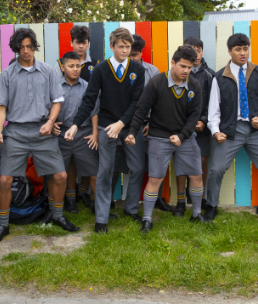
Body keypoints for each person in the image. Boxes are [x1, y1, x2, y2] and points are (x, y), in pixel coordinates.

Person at [0, 28, 78, 245]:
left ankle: (57, 215)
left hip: (42, 130)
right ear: (16, 49)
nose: (25, 51)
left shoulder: (47, 71)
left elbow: (57, 101)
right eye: (21, 47)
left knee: (61, 176)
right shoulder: (7, 74)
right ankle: (3, 224)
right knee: (5, 179)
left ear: (34, 47)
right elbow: (0, 107)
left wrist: (49, 122)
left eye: (29, 46)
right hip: (16, 132)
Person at [64, 27, 145, 234]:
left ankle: (131, 209)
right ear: (112, 47)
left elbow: (137, 102)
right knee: (105, 171)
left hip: (129, 127)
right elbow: (89, 99)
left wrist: (122, 124)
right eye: (121, 47)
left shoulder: (138, 69)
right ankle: (101, 219)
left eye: (128, 47)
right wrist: (75, 123)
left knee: (136, 168)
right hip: (105, 126)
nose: (125, 51)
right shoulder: (100, 70)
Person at [125, 46, 206, 233]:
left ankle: (196, 213)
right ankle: (147, 219)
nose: (186, 71)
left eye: (190, 67)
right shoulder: (156, 83)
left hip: (185, 137)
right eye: (183, 66)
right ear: (173, 63)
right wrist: (131, 132)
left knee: (196, 175)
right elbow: (141, 110)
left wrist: (182, 136)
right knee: (155, 178)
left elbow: (195, 116)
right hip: (159, 137)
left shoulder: (194, 85)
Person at [205, 33, 258, 221]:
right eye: (238, 49)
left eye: (245, 48)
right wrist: (216, 131)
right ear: (230, 51)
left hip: (255, 130)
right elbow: (213, 110)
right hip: (230, 131)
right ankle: (211, 206)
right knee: (217, 169)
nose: (243, 53)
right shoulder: (219, 76)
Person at [53, 52, 100, 214]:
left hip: (84, 134)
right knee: (65, 170)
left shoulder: (88, 86)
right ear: (62, 67)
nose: (75, 69)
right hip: (61, 134)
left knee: (93, 170)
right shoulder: (56, 86)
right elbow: (49, 109)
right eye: (71, 66)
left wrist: (95, 134)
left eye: (78, 66)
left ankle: (99, 205)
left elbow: (94, 112)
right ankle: (70, 200)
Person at [173, 37, 215, 217]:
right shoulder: (180, 73)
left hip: (201, 128)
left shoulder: (210, 75)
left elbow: (214, 103)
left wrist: (203, 121)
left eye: (199, 50)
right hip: (182, 127)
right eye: (192, 49)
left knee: (202, 162)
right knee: (181, 164)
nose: (196, 54)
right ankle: (181, 200)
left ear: (202, 52)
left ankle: (200, 197)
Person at [127, 34, 167, 212]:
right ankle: (122, 203)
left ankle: (156, 199)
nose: (131, 58)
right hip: (126, 125)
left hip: (150, 125)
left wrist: (153, 124)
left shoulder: (153, 71)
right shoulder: (120, 71)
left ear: (141, 53)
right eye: (128, 54)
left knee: (156, 163)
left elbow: (160, 102)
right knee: (132, 167)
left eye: (134, 54)